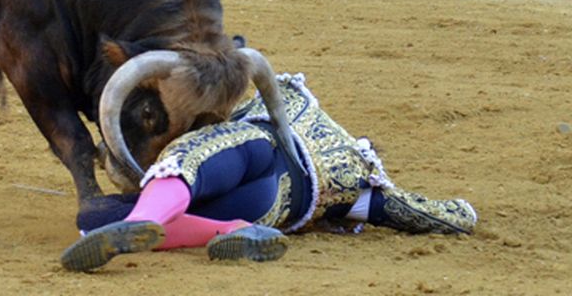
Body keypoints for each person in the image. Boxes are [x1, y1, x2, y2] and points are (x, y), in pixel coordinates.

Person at [61, 72, 477, 272]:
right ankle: (232, 230)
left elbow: (210, 104)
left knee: (184, 158)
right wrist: (461, 212)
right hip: (276, 208)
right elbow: (428, 215)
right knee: (94, 220)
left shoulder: (290, 104)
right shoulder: (359, 186)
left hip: (258, 148)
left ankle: (147, 220)